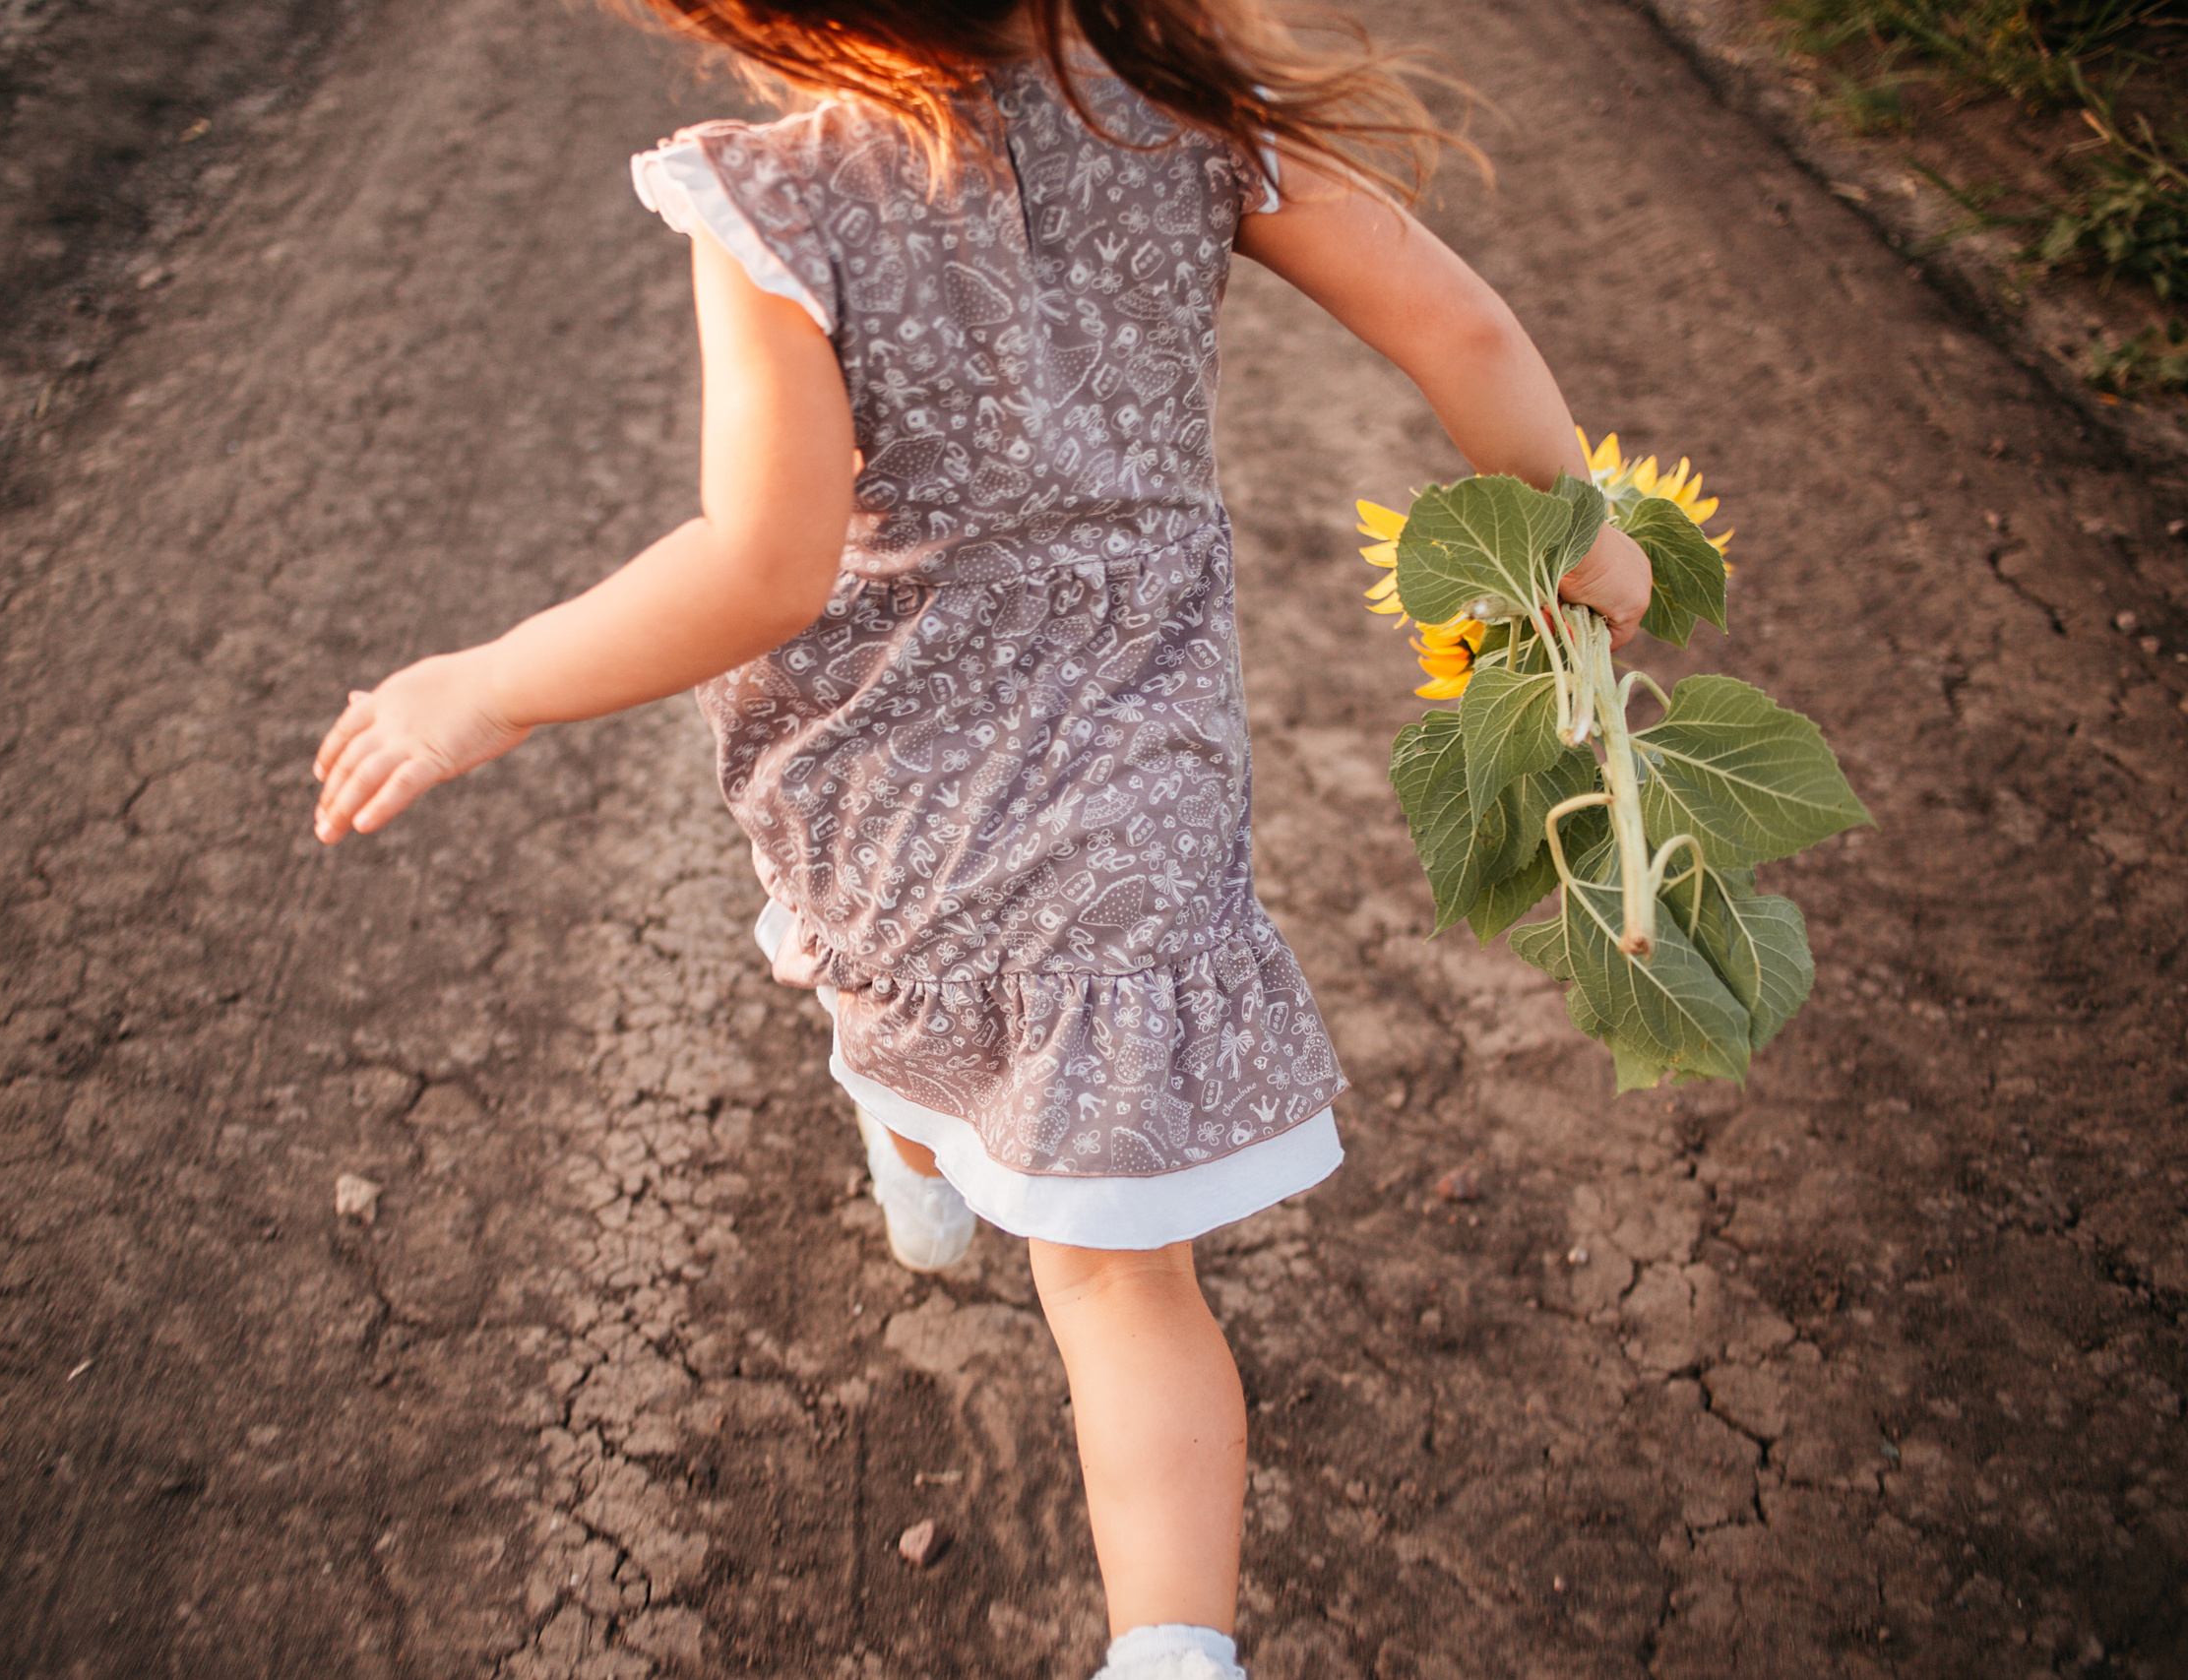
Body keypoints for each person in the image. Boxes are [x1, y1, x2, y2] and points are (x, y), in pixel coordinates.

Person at [311, 0, 1651, 1671]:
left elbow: (761, 569)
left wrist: (496, 681)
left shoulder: (777, 201)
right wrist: (1570, 530)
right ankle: (1175, 1652)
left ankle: (922, 1138)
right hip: (1134, 739)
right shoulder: (1189, 116)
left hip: (896, 757)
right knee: (1117, 1271)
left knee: (916, 1004)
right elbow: (1453, 327)